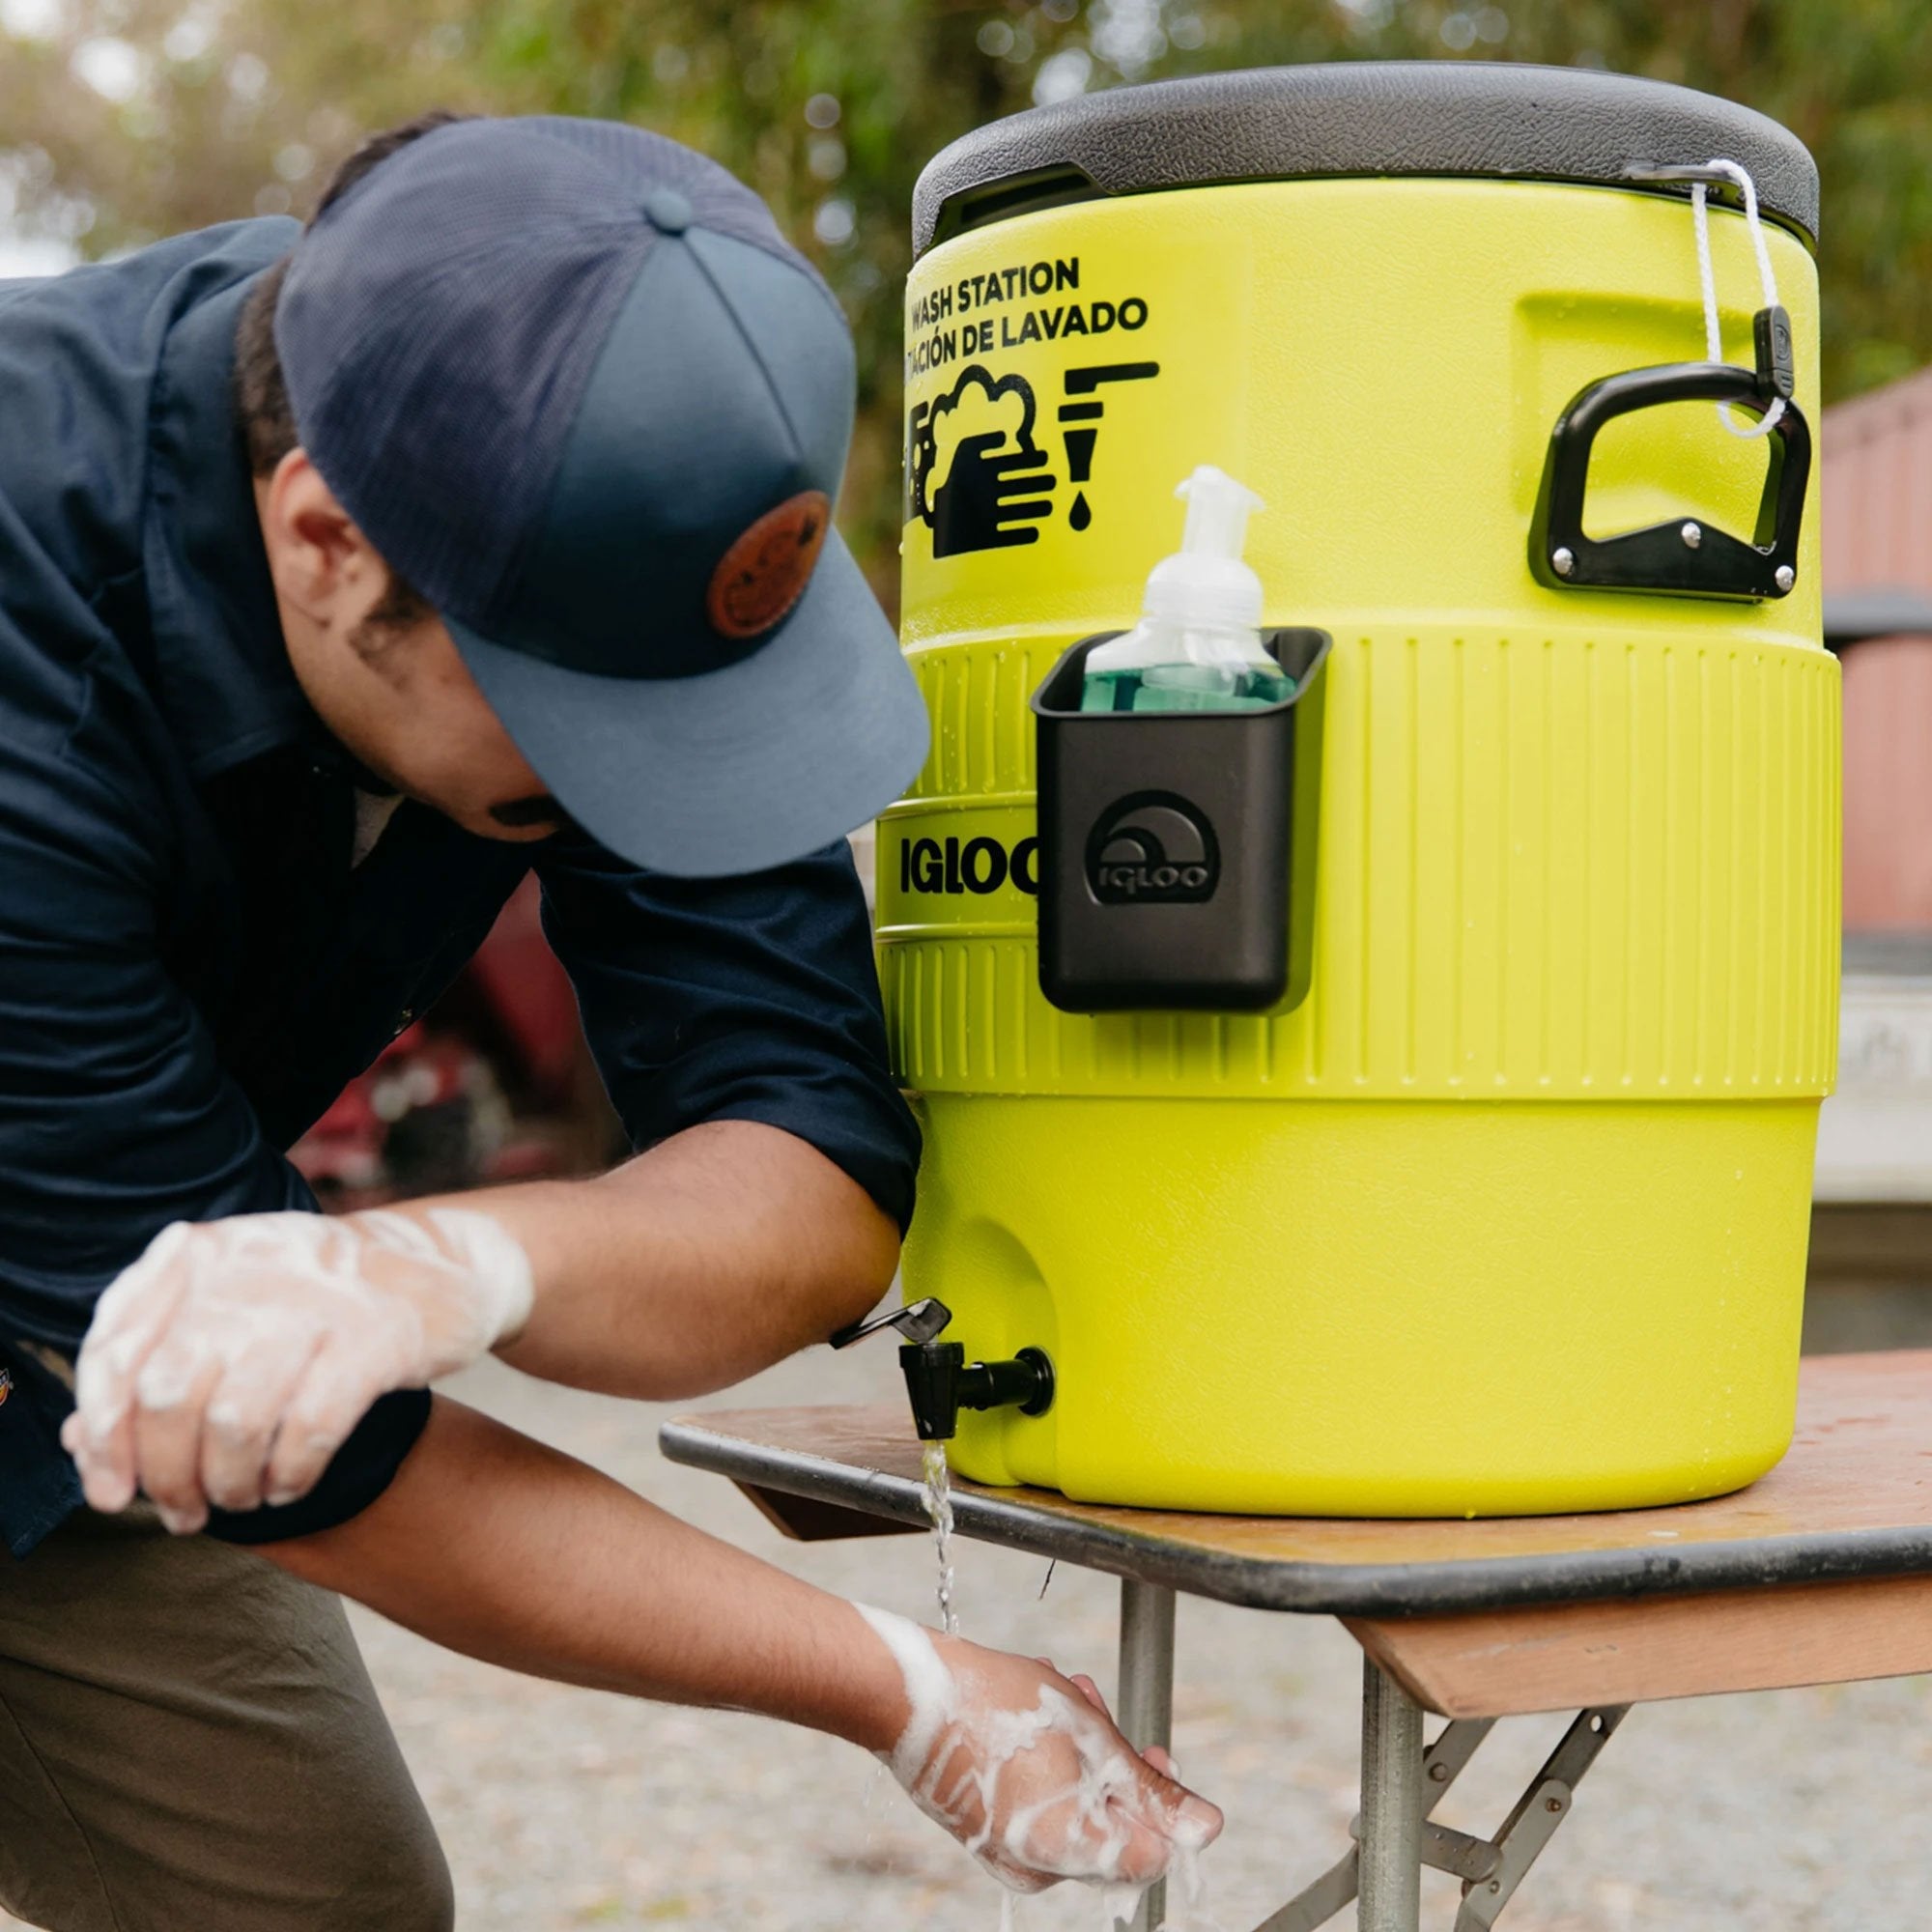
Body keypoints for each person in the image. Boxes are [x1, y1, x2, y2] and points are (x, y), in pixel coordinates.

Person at [0, 111, 1220, 1929]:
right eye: (589, 723)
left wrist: (452, 1265)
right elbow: (319, 1466)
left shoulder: (615, 523)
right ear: (325, 543)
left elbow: (811, 1163)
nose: (665, 783)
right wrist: (892, 1687)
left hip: (84, 1330)